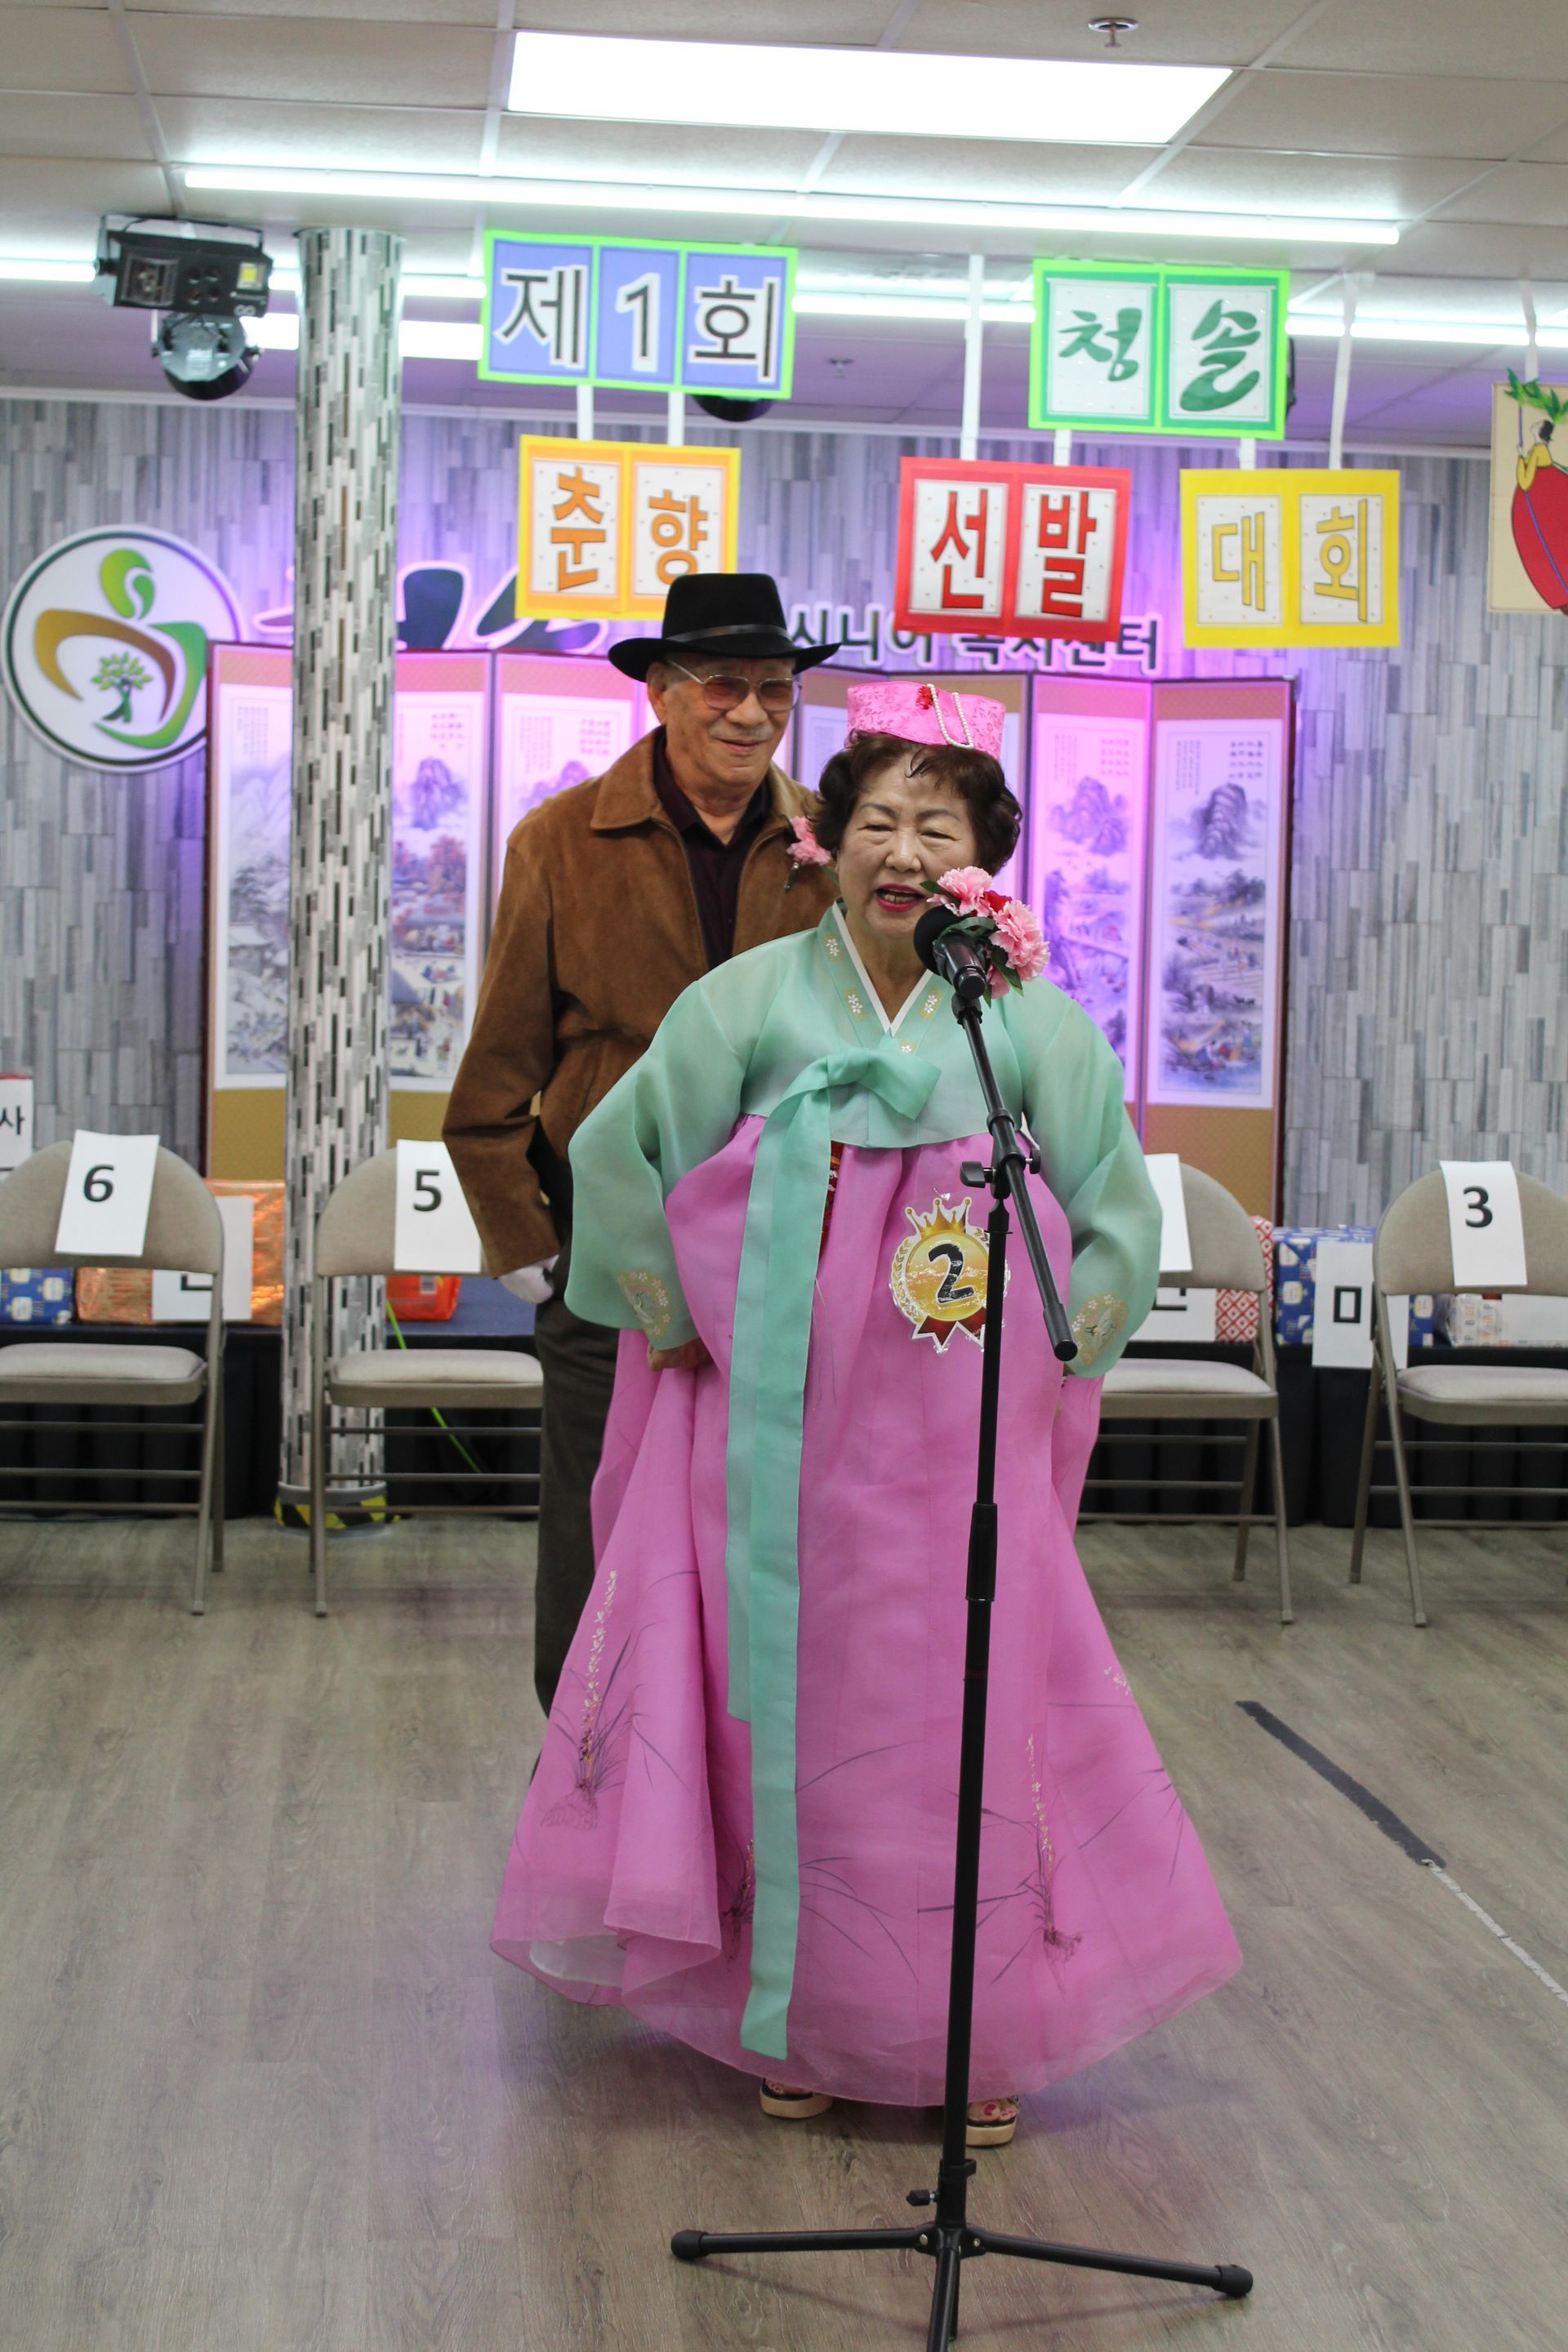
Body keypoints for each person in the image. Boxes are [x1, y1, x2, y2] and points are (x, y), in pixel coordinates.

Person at [491, 680, 1241, 2149]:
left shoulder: (1020, 1018)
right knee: (786, 1707)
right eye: (878, 822)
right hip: (776, 1444)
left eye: (937, 829)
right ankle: (801, 2015)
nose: (902, 852)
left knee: (967, 1713)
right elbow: (619, 1149)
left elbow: (1113, 1209)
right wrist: (675, 1320)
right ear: (825, 842)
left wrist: (1059, 1362)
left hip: (959, 1454)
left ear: (982, 860)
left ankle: (977, 2024)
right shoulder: (750, 1001)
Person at [444, 574, 840, 1716]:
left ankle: (741, 1763)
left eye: (776, 688)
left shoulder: (832, 843)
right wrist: (527, 1238)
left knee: (774, 1505)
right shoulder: (562, 840)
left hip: (790, 1237)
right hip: (612, 1236)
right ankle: (585, 1754)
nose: (752, 712)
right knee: (599, 1506)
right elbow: (497, 1067)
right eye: (723, 684)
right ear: (661, 691)